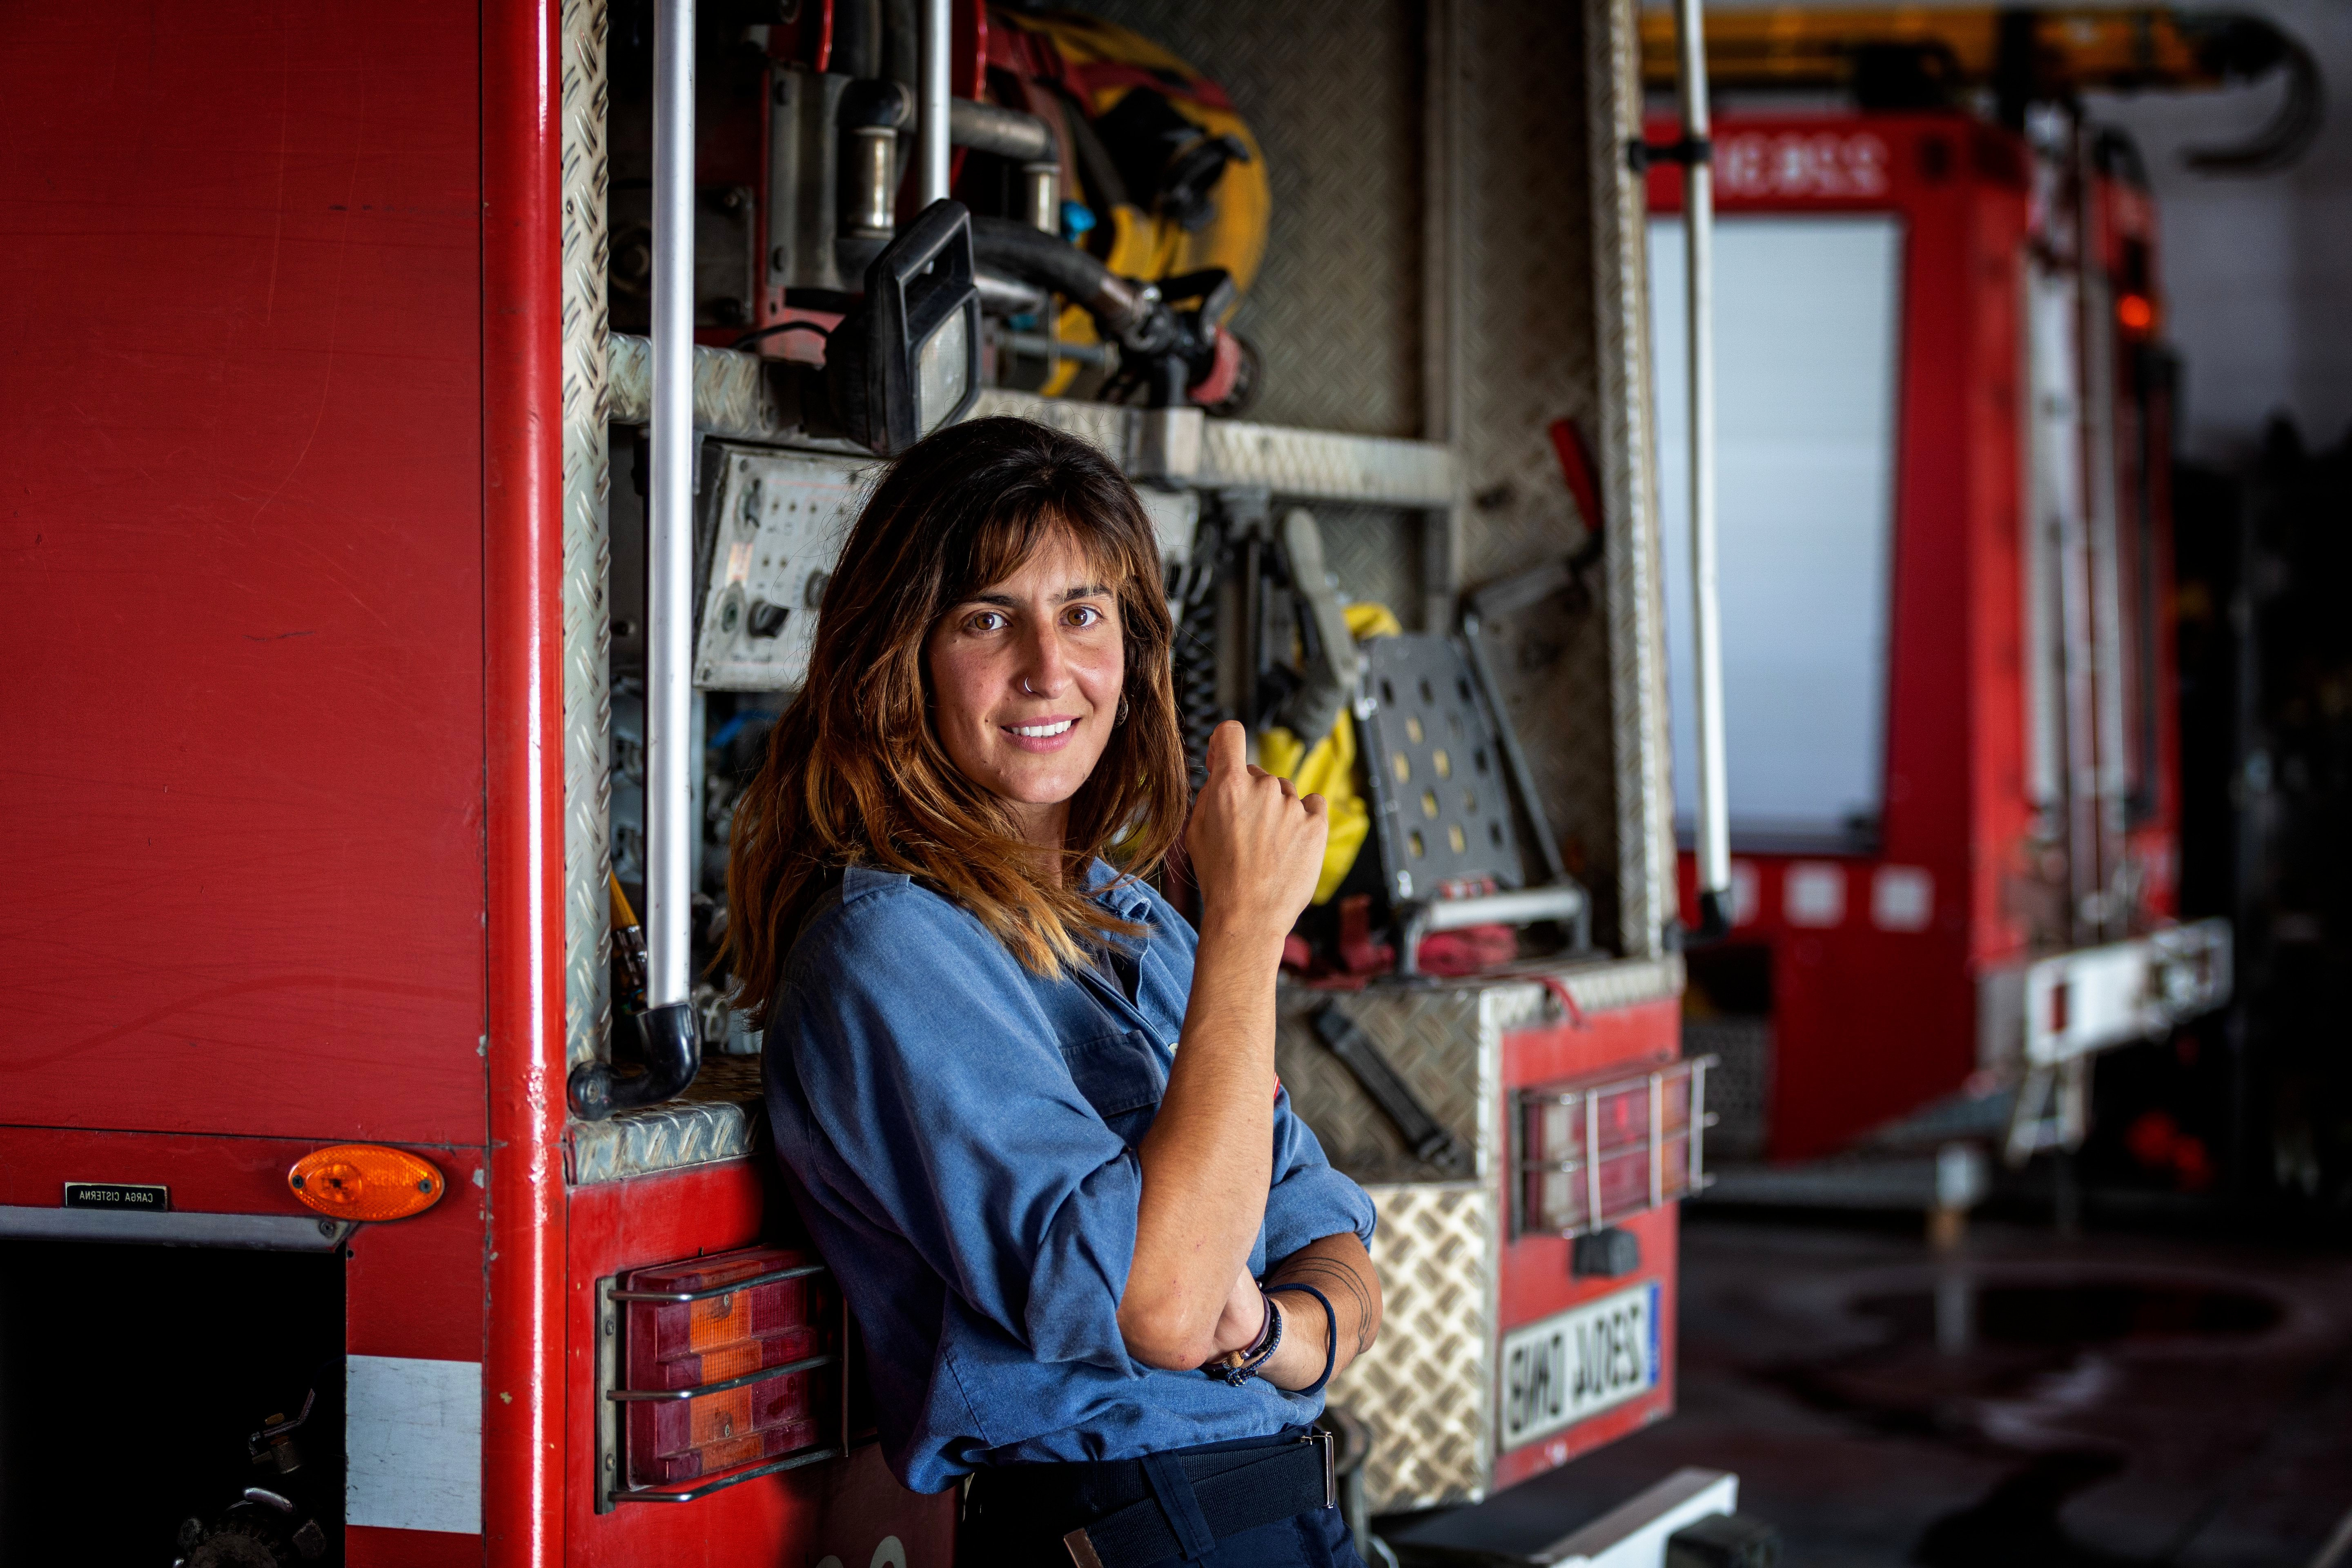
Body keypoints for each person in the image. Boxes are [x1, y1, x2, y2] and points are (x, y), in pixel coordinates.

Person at [725, 416, 1383, 1567]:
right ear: (902, 655)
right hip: (1120, 1531)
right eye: (989, 618)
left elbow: (1340, 1260)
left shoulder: (1137, 929)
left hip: (1279, 1513)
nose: (1047, 668)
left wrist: (1269, 1333)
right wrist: (1245, 930)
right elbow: (1169, 1305)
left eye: (1083, 614)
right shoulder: (890, 956)